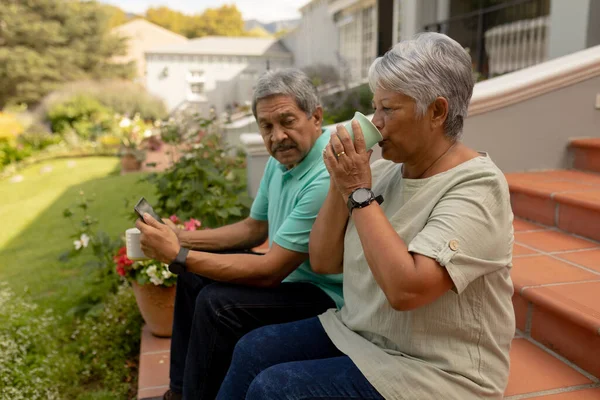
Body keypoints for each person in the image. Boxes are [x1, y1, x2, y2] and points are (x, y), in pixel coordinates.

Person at [216, 32, 515, 400]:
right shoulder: (388, 174)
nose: (376, 121)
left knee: (276, 390)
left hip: (435, 372)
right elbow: (324, 260)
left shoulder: (478, 186)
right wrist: (339, 184)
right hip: (361, 335)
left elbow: (407, 290)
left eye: (388, 109)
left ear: (436, 111)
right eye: (375, 108)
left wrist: (358, 191)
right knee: (252, 349)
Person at [136, 68, 344, 400]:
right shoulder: (283, 160)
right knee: (192, 280)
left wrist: (178, 254)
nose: (277, 137)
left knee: (217, 304)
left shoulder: (323, 173)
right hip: (290, 278)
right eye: (266, 127)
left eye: (287, 121)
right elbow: (253, 228)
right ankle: (178, 393)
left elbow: (270, 270)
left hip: (326, 296)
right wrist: (177, 236)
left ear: (316, 117)